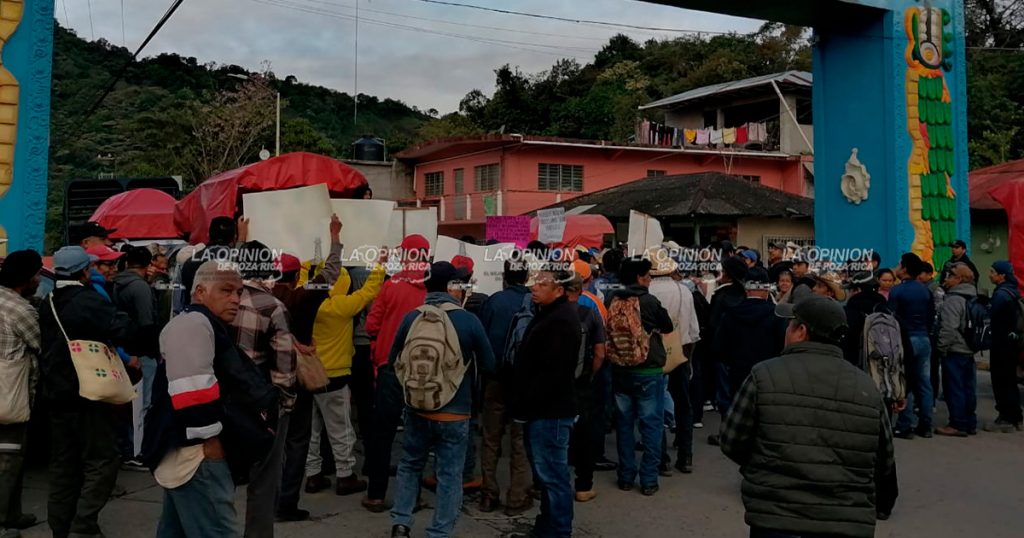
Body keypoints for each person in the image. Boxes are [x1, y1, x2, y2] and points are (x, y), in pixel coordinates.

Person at [720, 296, 895, 538]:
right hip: (844, 520)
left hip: (777, 516)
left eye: (789, 325)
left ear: (801, 331)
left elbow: (731, 440)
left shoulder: (764, 375)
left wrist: (766, 468)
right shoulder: (867, 387)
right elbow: (884, 460)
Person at [153, 260, 277, 538]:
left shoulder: (201, 323)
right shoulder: (194, 324)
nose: (235, 299)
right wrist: (210, 443)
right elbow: (192, 392)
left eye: (239, 292)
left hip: (192, 452)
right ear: (200, 292)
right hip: (199, 453)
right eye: (226, 290)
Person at [37, 246, 139, 538]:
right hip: (88, 391)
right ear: (84, 271)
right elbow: (123, 330)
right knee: (103, 459)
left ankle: (61, 527)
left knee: (63, 465)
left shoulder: (48, 301)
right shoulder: (88, 300)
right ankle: (83, 525)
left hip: (56, 394)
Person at [388, 262, 495, 538]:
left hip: (416, 407)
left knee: (411, 464)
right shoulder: (468, 320)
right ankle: (439, 532)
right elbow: (490, 364)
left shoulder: (412, 318)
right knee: (449, 474)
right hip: (455, 412)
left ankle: (401, 523)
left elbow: (393, 359)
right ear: (451, 287)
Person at [273, 217, 345, 521]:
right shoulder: (304, 296)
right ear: (295, 276)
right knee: (297, 440)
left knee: (272, 440)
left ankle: (266, 496)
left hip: (267, 378)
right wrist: (335, 237)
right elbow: (331, 271)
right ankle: (286, 503)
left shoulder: (257, 297)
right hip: (298, 378)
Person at [227, 241, 297, 538]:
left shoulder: (220, 300)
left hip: (224, 399)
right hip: (262, 402)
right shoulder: (273, 306)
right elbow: (284, 363)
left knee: (223, 474)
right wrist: (285, 404)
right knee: (264, 477)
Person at [304, 241, 385, 497]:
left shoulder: (306, 305)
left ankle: (313, 475)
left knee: (312, 430)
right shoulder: (342, 307)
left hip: (308, 374)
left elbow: (303, 281)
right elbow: (369, 291)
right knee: (341, 429)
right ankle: (345, 475)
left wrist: (309, 263)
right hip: (336, 376)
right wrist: (380, 265)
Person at [509, 267, 582, 537]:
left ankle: (559, 530)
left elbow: (552, 374)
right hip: (543, 410)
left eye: (542, 284)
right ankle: (548, 527)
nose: (534, 287)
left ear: (559, 290)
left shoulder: (560, 320)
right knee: (548, 476)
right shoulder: (549, 314)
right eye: (534, 282)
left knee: (553, 476)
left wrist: (527, 404)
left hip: (550, 412)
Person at [363, 234, 431, 511]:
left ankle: (376, 494)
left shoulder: (390, 286)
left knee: (383, 433)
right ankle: (412, 496)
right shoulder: (431, 289)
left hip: (390, 368)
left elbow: (371, 325)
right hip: (422, 371)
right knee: (417, 434)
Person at [607, 258, 674, 496]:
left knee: (624, 425)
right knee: (651, 425)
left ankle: (626, 476)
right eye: (648, 275)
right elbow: (667, 326)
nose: (650, 279)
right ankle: (648, 479)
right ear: (639, 277)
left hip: (620, 369)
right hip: (648, 370)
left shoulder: (612, 299)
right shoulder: (649, 301)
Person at [476, 261, 533, 515]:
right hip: (523, 382)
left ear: (505, 276)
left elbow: (482, 338)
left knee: (491, 438)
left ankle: (489, 494)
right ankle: (517, 497)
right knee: (520, 440)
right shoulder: (533, 302)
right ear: (527, 276)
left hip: (495, 379)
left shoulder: (494, 301)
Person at [0, 251, 43, 538]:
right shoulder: (21, 310)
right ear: (27, 278)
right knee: (9, 457)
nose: (39, 279)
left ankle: (13, 514)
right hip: (10, 393)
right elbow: (40, 345)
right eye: (38, 274)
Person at [646, 250, 700, 474]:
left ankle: (661, 458)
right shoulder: (684, 291)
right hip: (680, 352)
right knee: (683, 404)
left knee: (654, 405)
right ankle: (686, 456)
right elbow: (694, 331)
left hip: (652, 354)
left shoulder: (647, 291)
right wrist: (690, 359)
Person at [111, 246, 162, 469]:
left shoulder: (115, 283)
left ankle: (129, 448)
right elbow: (147, 323)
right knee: (144, 403)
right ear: (148, 264)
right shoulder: (140, 288)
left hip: (122, 349)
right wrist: (154, 351)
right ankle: (138, 450)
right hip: (141, 353)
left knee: (127, 403)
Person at [564, 274, 606, 503]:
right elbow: (600, 352)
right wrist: (591, 374)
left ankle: (550, 484)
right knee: (584, 433)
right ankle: (583, 486)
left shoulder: (550, 313)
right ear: (581, 291)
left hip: (555, 384)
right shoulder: (589, 314)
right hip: (581, 382)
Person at [889, 253, 936, 439]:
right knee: (924, 382)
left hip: (905, 339)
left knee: (904, 381)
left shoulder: (897, 291)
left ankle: (904, 425)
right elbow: (931, 316)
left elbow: (892, 318)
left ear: (905, 268)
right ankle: (926, 425)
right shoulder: (925, 290)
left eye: (899, 264)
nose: (897, 268)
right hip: (923, 338)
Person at [934, 264, 978, 437]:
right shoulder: (973, 297)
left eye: (950, 275)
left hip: (955, 350)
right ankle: (970, 422)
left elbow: (949, 328)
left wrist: (940, 347)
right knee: (968, 388)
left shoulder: (954, 299)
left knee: (954, 388)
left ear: (959, 279)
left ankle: (957, 424)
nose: (946, 278)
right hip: (969, 348)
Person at [985, 261, 1022, 432]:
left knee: (1001, 381)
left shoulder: (1001, 295)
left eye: (993, 272)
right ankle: (1016, 417)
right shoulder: (1013, 291)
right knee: (1010, 381)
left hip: (1001, 344)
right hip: (1012, 342)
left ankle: (1006, 418)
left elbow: (990, 315)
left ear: (1002, 276)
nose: (990, 275)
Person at [842, 272, 888, 369]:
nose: (849, 293)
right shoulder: (885, 309)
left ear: (858, 290)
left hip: (855, 366)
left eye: (850, 290)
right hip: (882, 366)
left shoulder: (849, 311)